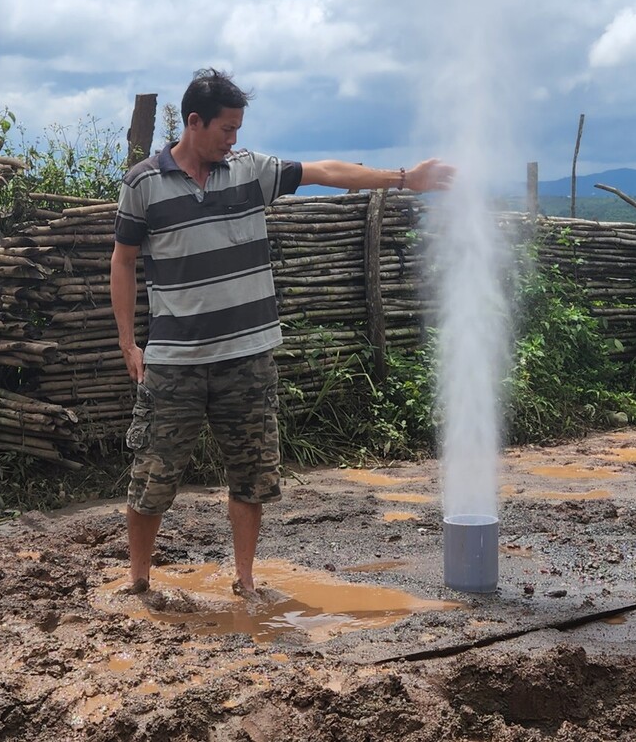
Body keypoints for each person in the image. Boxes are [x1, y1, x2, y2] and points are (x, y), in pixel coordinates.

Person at [111, 68, 453, 598]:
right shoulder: (143, 184)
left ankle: (245, 580)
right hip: (173, 362)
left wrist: (405, 179)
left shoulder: (251, 172)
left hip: (248, 358)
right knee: (153, 475)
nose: (234, 139)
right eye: (226, 129)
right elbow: (124, 260)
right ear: (194, 122)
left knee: (251, 477)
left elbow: (326, 172)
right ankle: (138, 579)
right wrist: (128, 341)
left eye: (239, 129)